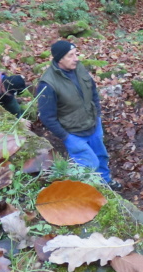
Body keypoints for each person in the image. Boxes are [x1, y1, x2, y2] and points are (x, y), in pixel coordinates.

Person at [36, 40, 114, 186]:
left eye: (76, 54)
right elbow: (47, 117)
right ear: (60, 59)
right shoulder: (47, 84)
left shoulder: (79, 68)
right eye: (71, 55)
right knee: (89, 166)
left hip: (93, 125)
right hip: (73, 133)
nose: (76, 58)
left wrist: (97, 114)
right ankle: (94, 193)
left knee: (101, 157)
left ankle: (107, 183)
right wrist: (66, 137)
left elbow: (92, 90)